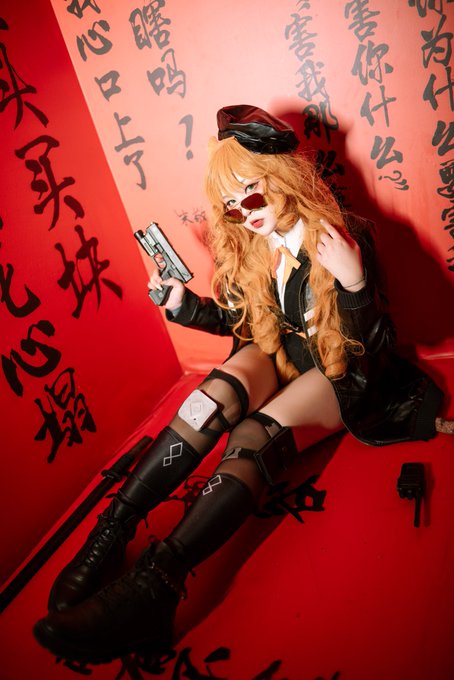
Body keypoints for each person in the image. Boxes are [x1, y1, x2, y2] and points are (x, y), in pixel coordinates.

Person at [33, 105, 450, 665]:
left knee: (252, 437)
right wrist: (184, 306)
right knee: (207, 402)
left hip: (336, 373)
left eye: (251, 196)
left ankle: (156, 585)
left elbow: (372, 348)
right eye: (231, 204)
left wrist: (354, 284)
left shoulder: (340, 238)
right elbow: (246, 324)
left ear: (282, 178)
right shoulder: (256, 242)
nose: (242, 213)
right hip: (278, 357)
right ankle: (112, 530)